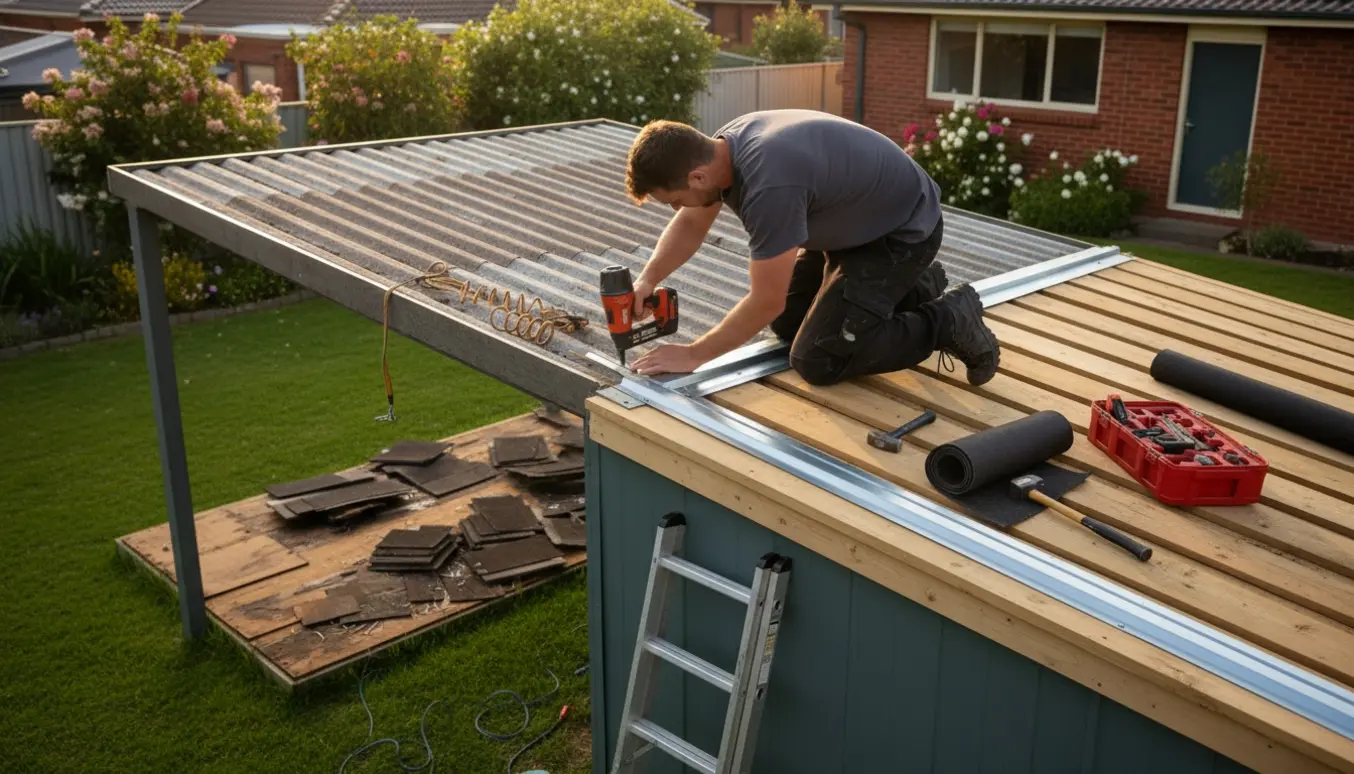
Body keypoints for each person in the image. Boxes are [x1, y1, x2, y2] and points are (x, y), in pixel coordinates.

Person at [620, 108, 1000, 387]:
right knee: (788, 324)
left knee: (817, 358)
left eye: (672, 199)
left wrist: (694, 354)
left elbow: (765, 300)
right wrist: (647, 281)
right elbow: (691, 222)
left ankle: (949, 318)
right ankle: (912, 288)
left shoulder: (769, 187)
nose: (677, 208)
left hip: (901, 233)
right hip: (856, 219)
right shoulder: (720, 149)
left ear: (697, 176)